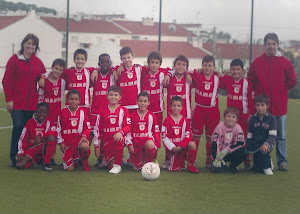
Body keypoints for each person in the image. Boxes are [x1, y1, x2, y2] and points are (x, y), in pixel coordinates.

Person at [248, 33, 297, 171]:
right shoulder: (257, 62)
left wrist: (281, 90)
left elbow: (292, 80)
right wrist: (258, 94)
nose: (271, 46)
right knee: (260, 134)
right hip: (262, 108)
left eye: (274, 44)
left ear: (277, 45)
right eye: (268, 44)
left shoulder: (285, 62)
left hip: (279, 106)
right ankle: (259, 161)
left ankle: (282, 161)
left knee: (281, 136)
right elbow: (250, 79)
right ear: (265, 45)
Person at [2, 33, 46, 167]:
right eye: (28, 43)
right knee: (18, 127)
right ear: (23, 44)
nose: (30, 46)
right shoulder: (14, 60)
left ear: (35, 47)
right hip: (17, 103)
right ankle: (14, 157)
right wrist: (9, 99)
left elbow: (43, 75)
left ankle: (27, 156)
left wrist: (42, 78)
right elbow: (6, 81)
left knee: (28, 131)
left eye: (33, 44)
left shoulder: (37, 62)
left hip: (32, 104)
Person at [219, 59, 254, 169]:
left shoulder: (247, 83)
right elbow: (215, 75)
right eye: (233, 69)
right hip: (231, 117)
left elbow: (251, 101)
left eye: (238, 69)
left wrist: (250, 115)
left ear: (242, 70)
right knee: (230, 138)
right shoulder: (227, 80)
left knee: (244, 139)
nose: (235, 71)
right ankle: (230, 161)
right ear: (230, 70)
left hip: (243, 116)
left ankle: (247, 160)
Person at [187, 55, 220, 168]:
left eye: (210, 65)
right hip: (199, 110)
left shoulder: (217, 78)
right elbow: (186, 70)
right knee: (196, 136)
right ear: (201, 66)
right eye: (205, 65)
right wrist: (189, 73)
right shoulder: (197, 75)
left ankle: (209, 160)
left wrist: (220, 73)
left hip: (212, 111)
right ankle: (193, 160)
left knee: (210, 137)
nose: (207, 67)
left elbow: (228, 76)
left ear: (214, 67)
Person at [93, 85, 131, 174]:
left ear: (120, 97)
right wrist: (97, 146)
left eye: (116, 95)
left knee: (118, 137)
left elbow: (128, 126)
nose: (113, 97)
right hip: (106, 141)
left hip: (118, 139)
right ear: (107, 96)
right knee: (109, 166)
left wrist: (121, 132)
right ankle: (115, 158)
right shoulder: (102, 112)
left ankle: (117, 165)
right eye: (111, 95)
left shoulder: (124, 110)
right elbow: (97, 130)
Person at [38, 58, 66, 166]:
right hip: (45, 114)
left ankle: (51, 157)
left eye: (60, 70)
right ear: (52, 67)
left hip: (56, 114)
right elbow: (40, 97)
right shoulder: (44, 80)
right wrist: (39, 112)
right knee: (43, 135)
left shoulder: (62, 81)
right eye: (56, 68)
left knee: (53, 135)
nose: (57, 71)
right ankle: (41, 156)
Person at [161, 96, 198, 173]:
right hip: (172, 148)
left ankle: (191, 166)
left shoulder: (185, 120)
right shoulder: (167, 120)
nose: (176, 108)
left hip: (182, 147)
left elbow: (188, 135)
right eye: (174, 105)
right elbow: (164, 136)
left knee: (192, 144)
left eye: (178, 106)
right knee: (174, 168)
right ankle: (170, 160)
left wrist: (181, 146)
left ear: (182, 107)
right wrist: (172, 146)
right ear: (170, 107)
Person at [16, 102, 57, 172]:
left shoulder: (49, 122)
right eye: (40, 112)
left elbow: (55, 132)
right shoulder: (30, 122)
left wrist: (42, 135)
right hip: (32, 149)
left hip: (42, 148)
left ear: (47, 114)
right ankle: (37, 160)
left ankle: (46, 163)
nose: (42, 115)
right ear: (36, 112)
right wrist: (21, 153)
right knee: (19, 165)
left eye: (44, 113)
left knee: (52, 137)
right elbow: (22, 138)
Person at [57, 89, 91, 171]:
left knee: (85, 146)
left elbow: (87, 127)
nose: (73, 101)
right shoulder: (62, 112)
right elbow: (58, 129)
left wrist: (84, 136)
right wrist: (61, 142)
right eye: (71, 99)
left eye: (76, 99)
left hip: (78, 141)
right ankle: (73, 160)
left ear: (79, 101)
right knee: (70, 169)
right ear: (67, 100)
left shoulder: (82, 112)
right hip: (67, 143)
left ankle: (84, 160)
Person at [125, 92, 161, 170]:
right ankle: (133, 158)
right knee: (137, 168)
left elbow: (156, 131)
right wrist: (129, 144)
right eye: (140, 101)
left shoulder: (151, 116)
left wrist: (156, 145)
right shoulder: (132, 116)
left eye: (145, 101)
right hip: (136, 144)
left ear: (148, 103)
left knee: (150, 144)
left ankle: (149, 163)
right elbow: (129, 131)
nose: (142, 103)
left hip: (146, 141)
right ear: (137, 102)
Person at [90, 53, 114, 167]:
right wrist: (95, 70)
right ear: (99, 64)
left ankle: (110, 156)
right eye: (102, 62)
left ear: (110, 63)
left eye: (107, 62)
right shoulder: (94, 74)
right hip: (95, 111)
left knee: (107, 135)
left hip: (109, 111)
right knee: (97, 135)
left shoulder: (113, 75)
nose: (105, 64)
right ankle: (99, 158)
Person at [246, 94, 277, 175]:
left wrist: (267, 144)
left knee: (263, 151)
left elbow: (272, 134)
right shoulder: (253, 119)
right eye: (257, 105)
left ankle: (267, 166)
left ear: (267, 106)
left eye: (262, 105)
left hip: (266, 144)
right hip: (255, 144)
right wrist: (249, 147)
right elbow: (250, 134)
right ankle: (263, 163)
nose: (260, 108)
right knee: (257, 170)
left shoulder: (271, 118)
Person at [211, 107, 246, 173]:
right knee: (216, 171)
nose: (230, 119)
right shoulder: (219, 126)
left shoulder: (238, 127)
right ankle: (220, 164)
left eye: (233, 117)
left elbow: (240, 143)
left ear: (236, 119)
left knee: (243, 152)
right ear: (224, 117)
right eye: (228, 116)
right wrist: (217, 156)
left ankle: (233, 166)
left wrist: (227, 150)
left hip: (230, 152)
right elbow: (215, 142)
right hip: (220, 154)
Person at [116, 47, 143, 113]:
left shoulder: (139, 68)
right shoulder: (118, 70)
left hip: (136, 105)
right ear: (121, 59)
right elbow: (108, 68)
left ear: (133, 56)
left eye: (128, 57)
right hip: (122, 106)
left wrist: (169, 74)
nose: (127, 60)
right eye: (124, 58)